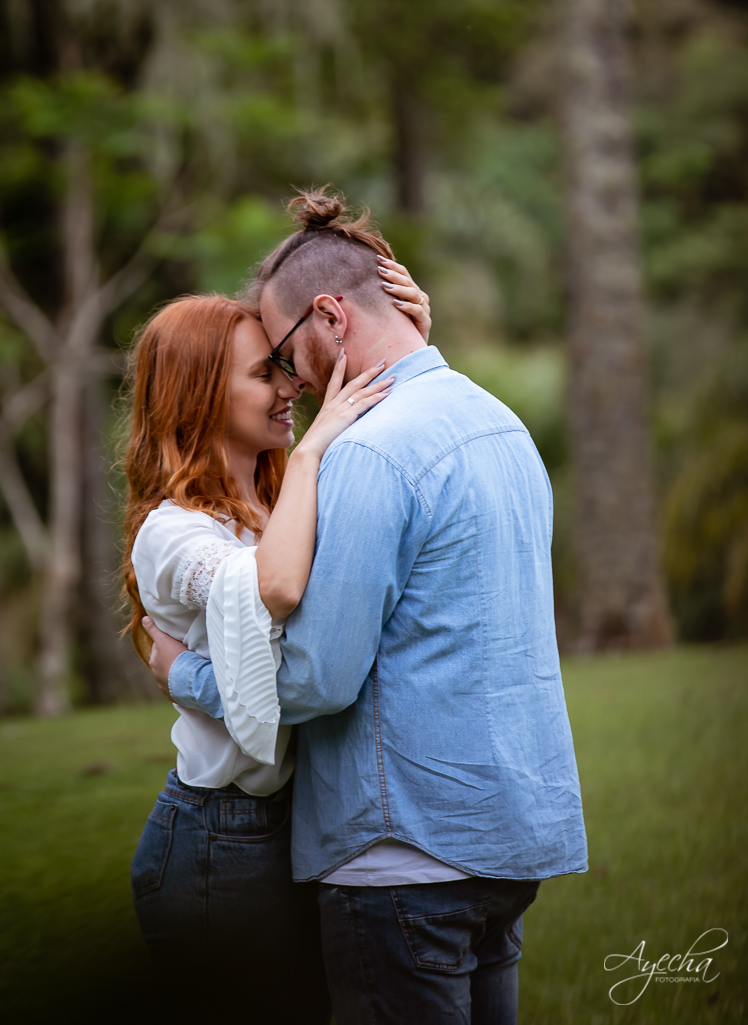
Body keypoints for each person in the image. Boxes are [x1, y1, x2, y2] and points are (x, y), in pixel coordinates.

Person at [148, 189, 588, 1024]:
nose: (294, 381)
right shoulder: (501, 425)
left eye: (286, 355)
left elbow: (316, 680)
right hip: (508, 840)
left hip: (402, 855)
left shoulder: (369, 454)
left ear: (329, 317)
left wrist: (187, 676)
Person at [123, 245, 430, 1024]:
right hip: (219, 838)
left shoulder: (277, 502)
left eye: (284, 369)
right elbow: (278, 588)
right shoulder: (172, 532)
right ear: (199, 395)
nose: (292, 387)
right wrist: (314, 448)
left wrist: (408, 340)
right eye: (266, 373)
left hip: (299, 823)